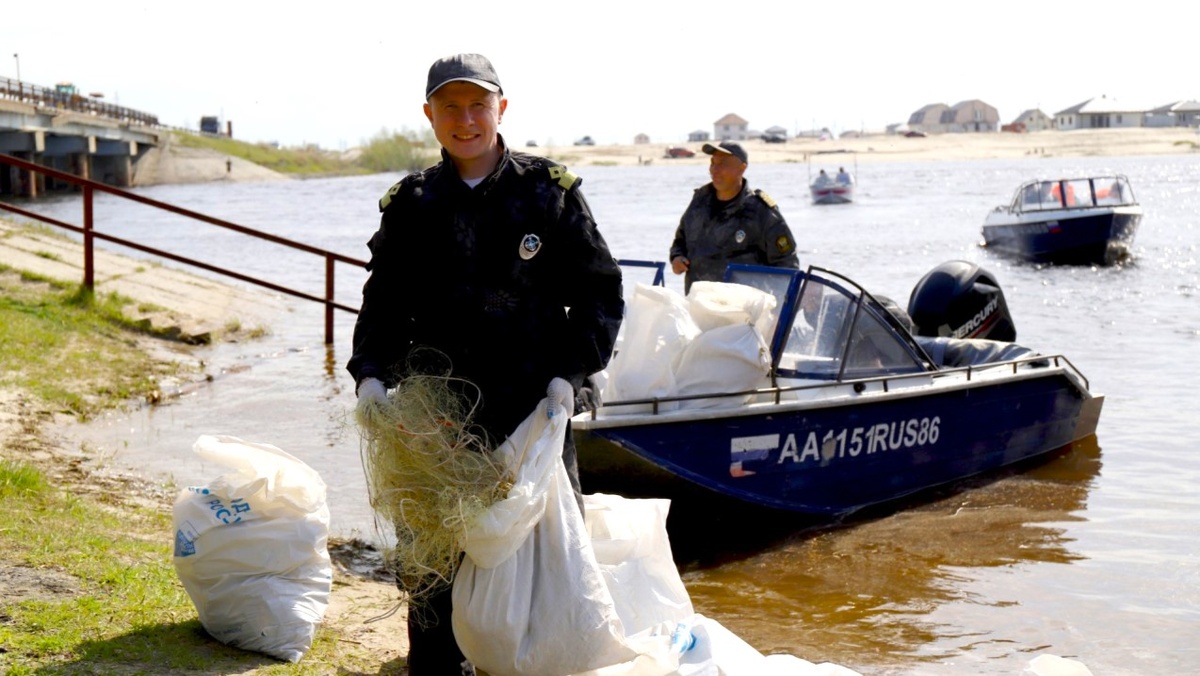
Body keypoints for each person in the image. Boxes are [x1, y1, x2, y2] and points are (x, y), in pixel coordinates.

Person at [346, 52, 624, 675]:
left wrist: (573, 374)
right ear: (429, 115)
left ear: (502, 108)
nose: (465, 120)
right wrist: (369, 375)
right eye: (450, 107)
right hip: (434, 420)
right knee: (433, 568)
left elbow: (601, 292)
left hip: (530, 414)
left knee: (548, 568)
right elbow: (382, 304)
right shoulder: (410, 204)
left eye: (478, 105)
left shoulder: (548, 194)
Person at [669, 141, 799, 293]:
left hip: (742, 310)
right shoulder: (699, 203)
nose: (714, 170)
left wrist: (776, 310)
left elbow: (787, 264)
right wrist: (677, 258)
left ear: (742, 168)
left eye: (722, 164)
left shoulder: (761, 212)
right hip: (699, 307)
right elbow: (680, 241)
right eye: (712, 163)